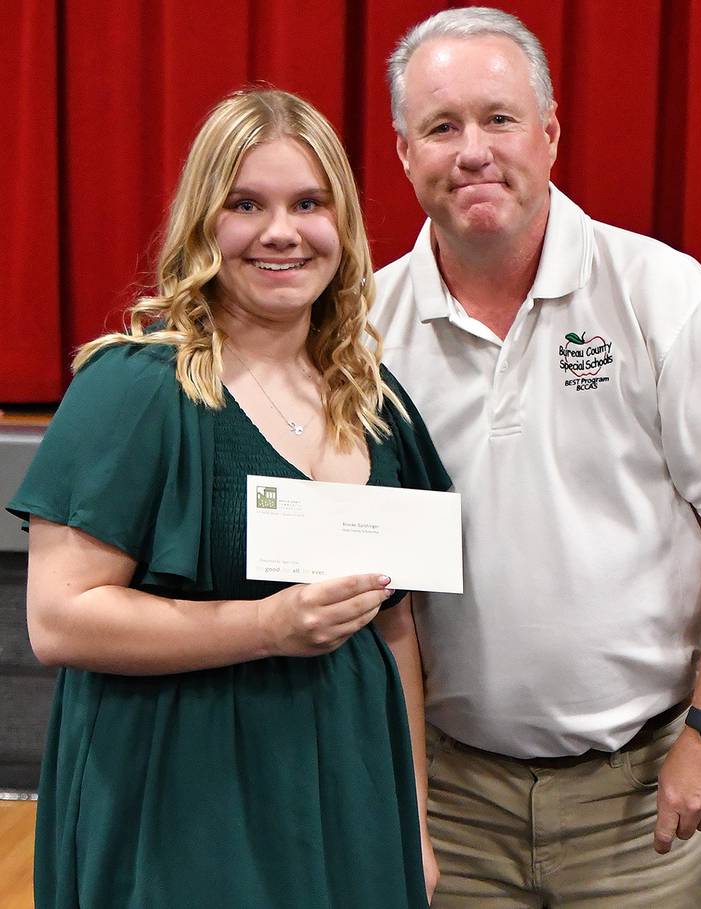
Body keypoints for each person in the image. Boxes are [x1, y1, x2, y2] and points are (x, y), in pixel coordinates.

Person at [371, 7, 701, 907]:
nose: (473, 150)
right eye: (441, 127)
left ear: (551, 134)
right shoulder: (364, 331)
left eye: (499, 118)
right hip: (448, 800)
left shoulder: (662, 294)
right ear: (404, 152)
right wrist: (400, 801)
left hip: (641, 801)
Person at [9, 88, 446, 908]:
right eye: (247, 203)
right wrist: (266, 626)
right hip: (182, 808)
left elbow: (396, 630)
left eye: (308, 203)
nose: (281, 230)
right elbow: (58, 618)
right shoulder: (137, 388)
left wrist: (410, 817)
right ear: (204, 223)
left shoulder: (375, 400)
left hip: (349, 798)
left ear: (342, 224)